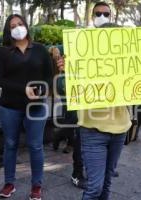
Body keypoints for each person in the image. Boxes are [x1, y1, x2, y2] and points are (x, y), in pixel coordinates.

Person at [57, 2, 131, 200]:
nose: (102, 16)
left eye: (105, 13)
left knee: (106, 185)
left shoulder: (125, 56)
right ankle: (77, 171)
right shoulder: (81, 47)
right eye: (98, 13)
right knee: (94, 189)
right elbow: (64, 87)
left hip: (120, 129)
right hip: (93, 130)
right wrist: (65, 69)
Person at [0, 14, 53, 200]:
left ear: (26, 26)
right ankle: (9, 184)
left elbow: (49, 77)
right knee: (10, 144)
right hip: (10, 106)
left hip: (36, 107)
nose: (18, 28)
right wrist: (23, 89)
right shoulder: (3, 52)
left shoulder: (40, 50)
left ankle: (36, 186)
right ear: (8, 31)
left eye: (20, 24)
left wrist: (43, 90)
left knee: (35, 146)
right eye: (13, 26)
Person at [50, 46, 86, 189]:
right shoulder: (70, 44)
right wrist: (54, 50)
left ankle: (60, 135)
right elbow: (51, 49)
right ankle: (78, 172)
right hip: (70, 91)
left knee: (75, 124)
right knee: (75, 123)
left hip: (89, 94)